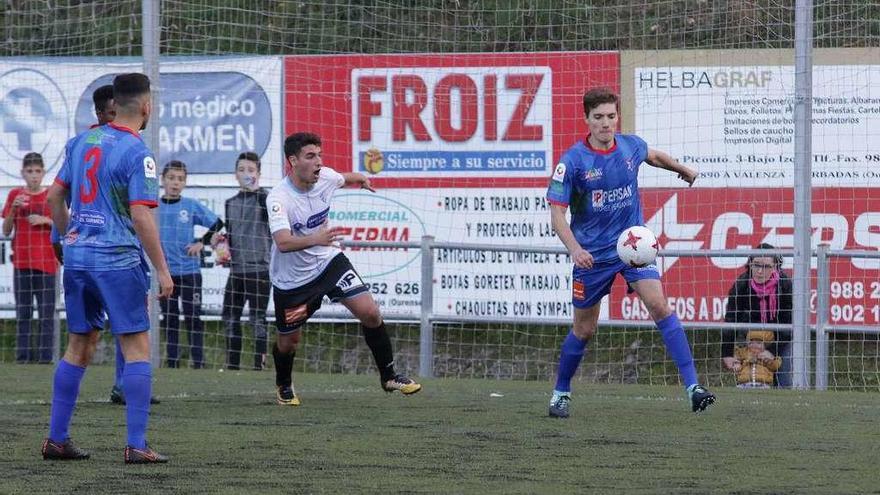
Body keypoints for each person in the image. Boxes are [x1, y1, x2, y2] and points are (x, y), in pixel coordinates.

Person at [545, 87, 715, 418]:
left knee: (659, 305)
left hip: (633, 246)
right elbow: (556, 214)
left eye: (611, 116)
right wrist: (576, 249)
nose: (606, 123)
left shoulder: (629, 145)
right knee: (584, 329)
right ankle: (561, 392)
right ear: (587, 119)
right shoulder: (573, 162)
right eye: (598, 118)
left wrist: (681, 169)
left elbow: (652, 155)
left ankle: (694, 387)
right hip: (592, 256)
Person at [42, 73, 172, 463]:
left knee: (78, 345)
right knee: (136, 348)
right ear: (146, 107)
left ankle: (56, 439)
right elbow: (142, 217)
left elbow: (53, 197)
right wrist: (163, 270)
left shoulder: (82, 141)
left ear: (114, 103)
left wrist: (71, 237)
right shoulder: (138, 152)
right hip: (117, 260)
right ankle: (136, 444)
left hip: (79, 259)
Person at [267, 132, 421, 405]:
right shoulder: (279, 198)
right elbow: (283, 243)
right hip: (293, 280)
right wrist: (316, 238)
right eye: (310, 156)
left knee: (370, 312)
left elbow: (342, 178)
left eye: (320, 155)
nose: (318, 162)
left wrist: (360, 179)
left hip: (328, 262)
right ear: (293, 161)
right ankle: (283, 383)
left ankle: (389, 376)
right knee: (288, 342)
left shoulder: (324, 176)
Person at [158, 160, 223, 369]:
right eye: (171, 178)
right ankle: (172, 361)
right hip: (165, 274)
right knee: (169, 318)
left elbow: (218, 223)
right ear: (163, 180)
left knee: (193, 317)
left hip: (189, 272)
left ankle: (198, 362)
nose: (175, 183)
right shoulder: (153, 208)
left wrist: (201, 243)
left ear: (185, 183)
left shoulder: (190, 206)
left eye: (180, 179)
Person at [2, 152, 58, 363]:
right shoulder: (15, 196)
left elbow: (65, 225)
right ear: (22, 173)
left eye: (37, 171)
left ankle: (45, 360)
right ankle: (22, 358)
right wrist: (13, 210)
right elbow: (6, 231)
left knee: (46, 315)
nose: (34, 176)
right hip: (22, 264)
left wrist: (46, 219)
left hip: (46, 264)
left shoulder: (51, 196)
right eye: (29, 171)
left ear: (43, 172)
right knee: (23, 313)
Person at [218, 151, 271, 370]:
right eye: (242, 170)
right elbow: (231, 234)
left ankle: (259, 366)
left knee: (256, 320)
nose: (246, 174)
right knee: (230, 318)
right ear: (235, 174)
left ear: (258, 173)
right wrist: (220, 243)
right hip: (236, 270)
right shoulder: (230, 203)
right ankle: (232, 367)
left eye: (251, 170)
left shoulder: (265, 198)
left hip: (259, 269)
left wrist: (256, 191)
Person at [723, 243, 793, 388]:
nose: (760, 271)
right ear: (750, 264)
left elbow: (789, 325)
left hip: (781, 338)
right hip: (750, 338)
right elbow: (731, 319)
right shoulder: (742, 284)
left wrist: (772, 351)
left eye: (767, 266)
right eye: (756, 265)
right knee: (748, 377)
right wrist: (728, 352)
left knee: (784, 375)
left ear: (776, 267)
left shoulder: (785, 285)